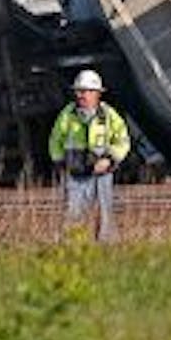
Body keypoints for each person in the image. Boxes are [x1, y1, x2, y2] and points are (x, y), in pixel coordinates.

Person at [48, 69, 132, 242]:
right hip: (76, 172)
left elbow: (123, 141)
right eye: (78, 91)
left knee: (105, 212)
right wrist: (59, 163)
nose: (80, 95)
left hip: (102, 173)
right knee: (73, 212)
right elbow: (55, 140)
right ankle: (72, 247)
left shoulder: (108, 115)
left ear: (96, 94)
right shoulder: (67, 115)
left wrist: (109, 159)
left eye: (85, 91)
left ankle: (107, 246)